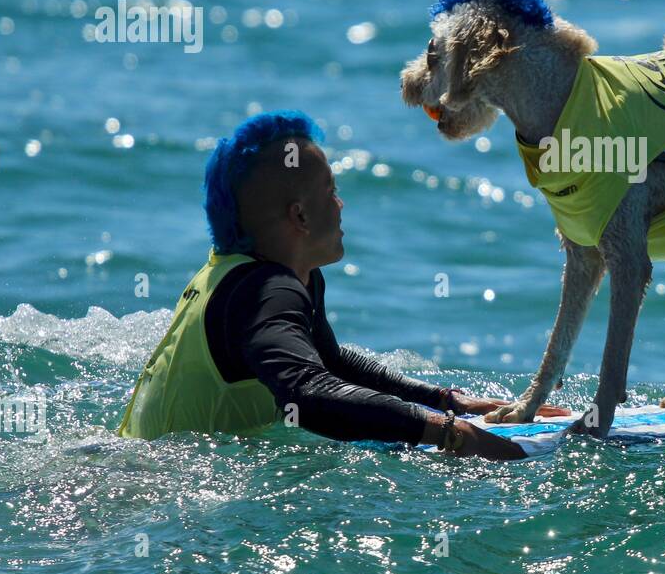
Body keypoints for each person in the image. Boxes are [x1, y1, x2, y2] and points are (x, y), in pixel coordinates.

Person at [118, 110, 564, 459]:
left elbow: (327, 363)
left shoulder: (249, 275)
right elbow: (308, 393)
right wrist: (450, 436)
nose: (341, 203)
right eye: (330, 192)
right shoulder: (266, 291)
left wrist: (449, 403)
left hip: (141, 466)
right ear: (300, 216)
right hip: (151, 489)